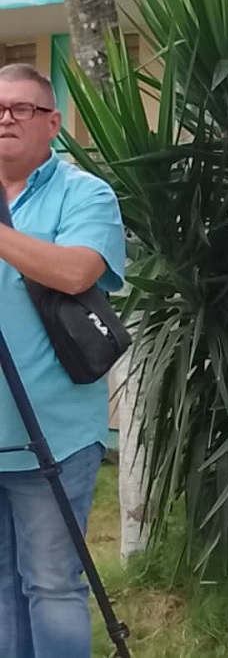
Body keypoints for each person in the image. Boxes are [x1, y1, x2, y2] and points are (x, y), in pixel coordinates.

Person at [0, 63, 126, 658]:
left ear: (52, 122)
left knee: (51, 585)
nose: (6, 118)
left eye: (21, 109)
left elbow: (78, 271)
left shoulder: (85, 193)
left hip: (54, 430)